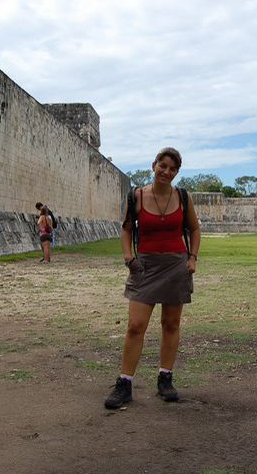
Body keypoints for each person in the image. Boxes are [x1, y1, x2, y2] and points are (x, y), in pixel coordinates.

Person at [104, 147, 201, 410]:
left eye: (172, 169)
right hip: (144, 266)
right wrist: (129, 259)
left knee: (170, 324)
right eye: (163, 166)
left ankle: (165, 379)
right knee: (135, 325)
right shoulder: (136, 196)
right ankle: (124, 384)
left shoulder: (183, 196)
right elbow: (126, 230)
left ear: (177, 172)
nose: (166, 172)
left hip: (175, 265)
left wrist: (191, 258)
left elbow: (194, 228)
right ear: (153, 165)